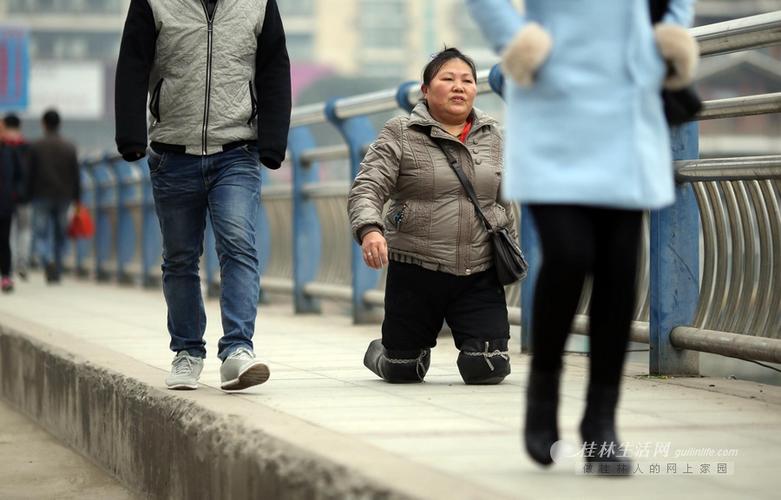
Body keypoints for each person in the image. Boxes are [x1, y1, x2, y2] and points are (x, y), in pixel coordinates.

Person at [466, 0, 698, 473]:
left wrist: (667, 38)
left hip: (629, 103)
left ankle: (601, 424)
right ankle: (544, 390)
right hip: (555, 103)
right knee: (568, 255)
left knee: (618, 269)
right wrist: (519, 42)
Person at [115, 0, 291, 391]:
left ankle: (237, 351)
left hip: (237, 150)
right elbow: (132, 64)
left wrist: (273, 142)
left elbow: (274, 68)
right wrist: (130, 136)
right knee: (179, 258)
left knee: (238, 246)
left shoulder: (258, 3)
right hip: (172, 152)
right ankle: (187, 352)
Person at [348, 48, 516, 385]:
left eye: (467, 80)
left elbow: (510, 199)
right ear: (425, 90)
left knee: (488, 367)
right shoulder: (400, 132)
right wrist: (370, 229)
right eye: (448, 79)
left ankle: (473, 346)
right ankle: (388, 352)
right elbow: (368, 185)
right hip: (416, 269)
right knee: (403, 370)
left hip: (478, 270)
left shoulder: (494, 136)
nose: (459, 87)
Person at [28, 109, 81, 285]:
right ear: (59, 124)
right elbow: (76, 174)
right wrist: (77, 197)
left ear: (44, 124)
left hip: (40, 195)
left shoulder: (36, 146)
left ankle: (46, 259)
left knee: (40, 233)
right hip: (64, 196)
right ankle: (57, 269)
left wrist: (26, 195)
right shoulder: (69, 146)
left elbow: (30, 173)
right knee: (60, 234)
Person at [3, 114, 32, 282]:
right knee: (25, 229)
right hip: (25, 195)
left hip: (6, 196)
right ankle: (23, 262)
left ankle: (10, 264)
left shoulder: (4, 145)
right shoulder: (26, 145)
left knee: (9, 232)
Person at [0, 116, 25, 292]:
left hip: (5, 203)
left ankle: (6, 276)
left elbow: (19, 176)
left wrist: (15, 195)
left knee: (4, 240)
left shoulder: (9, 151)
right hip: (5, 202)